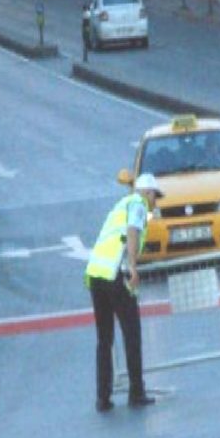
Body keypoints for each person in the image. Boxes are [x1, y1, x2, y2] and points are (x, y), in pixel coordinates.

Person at [84, 173, 163, 412]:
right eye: (155, 196)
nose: (155, 202)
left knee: (104, 340)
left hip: (97, 275)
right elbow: (132, 232)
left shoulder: (121, 205)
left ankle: (103, 397)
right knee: (132, 334)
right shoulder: (138, 205)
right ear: (147, 193)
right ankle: (136, 392)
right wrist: (133, 268)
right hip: (117, 276)